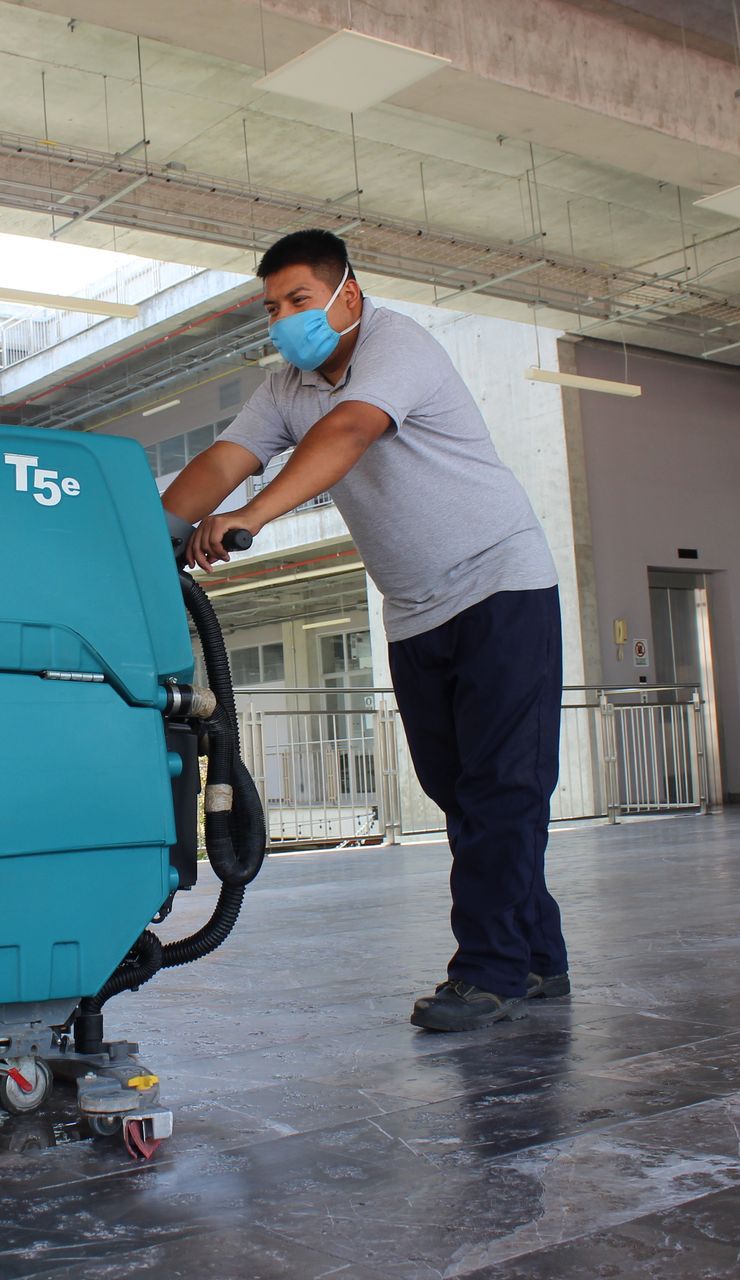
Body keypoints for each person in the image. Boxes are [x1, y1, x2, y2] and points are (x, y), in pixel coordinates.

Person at [161, 230, 567, 1033]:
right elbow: (225, 457)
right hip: (415, 607)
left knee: (501, 790)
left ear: (348, 293)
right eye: (272, 307)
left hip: (501, 584)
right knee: (460, 793)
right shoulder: (286, 387)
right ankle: (539, 955)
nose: (285, 319)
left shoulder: (396, 345)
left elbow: (347, 432)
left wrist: (252, 518)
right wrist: (146, 532)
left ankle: (488, 973)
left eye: (299, 300)